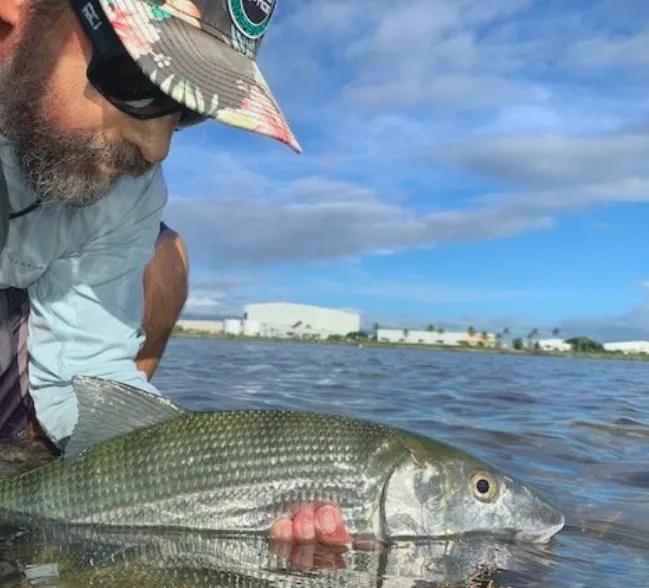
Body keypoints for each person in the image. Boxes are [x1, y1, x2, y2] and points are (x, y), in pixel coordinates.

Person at [0, 0, 350, 557]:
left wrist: (208, 479)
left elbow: (86, 367)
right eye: (143, 81)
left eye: (187, 109)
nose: (157, 147)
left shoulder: (133, 187)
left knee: (167, 258)